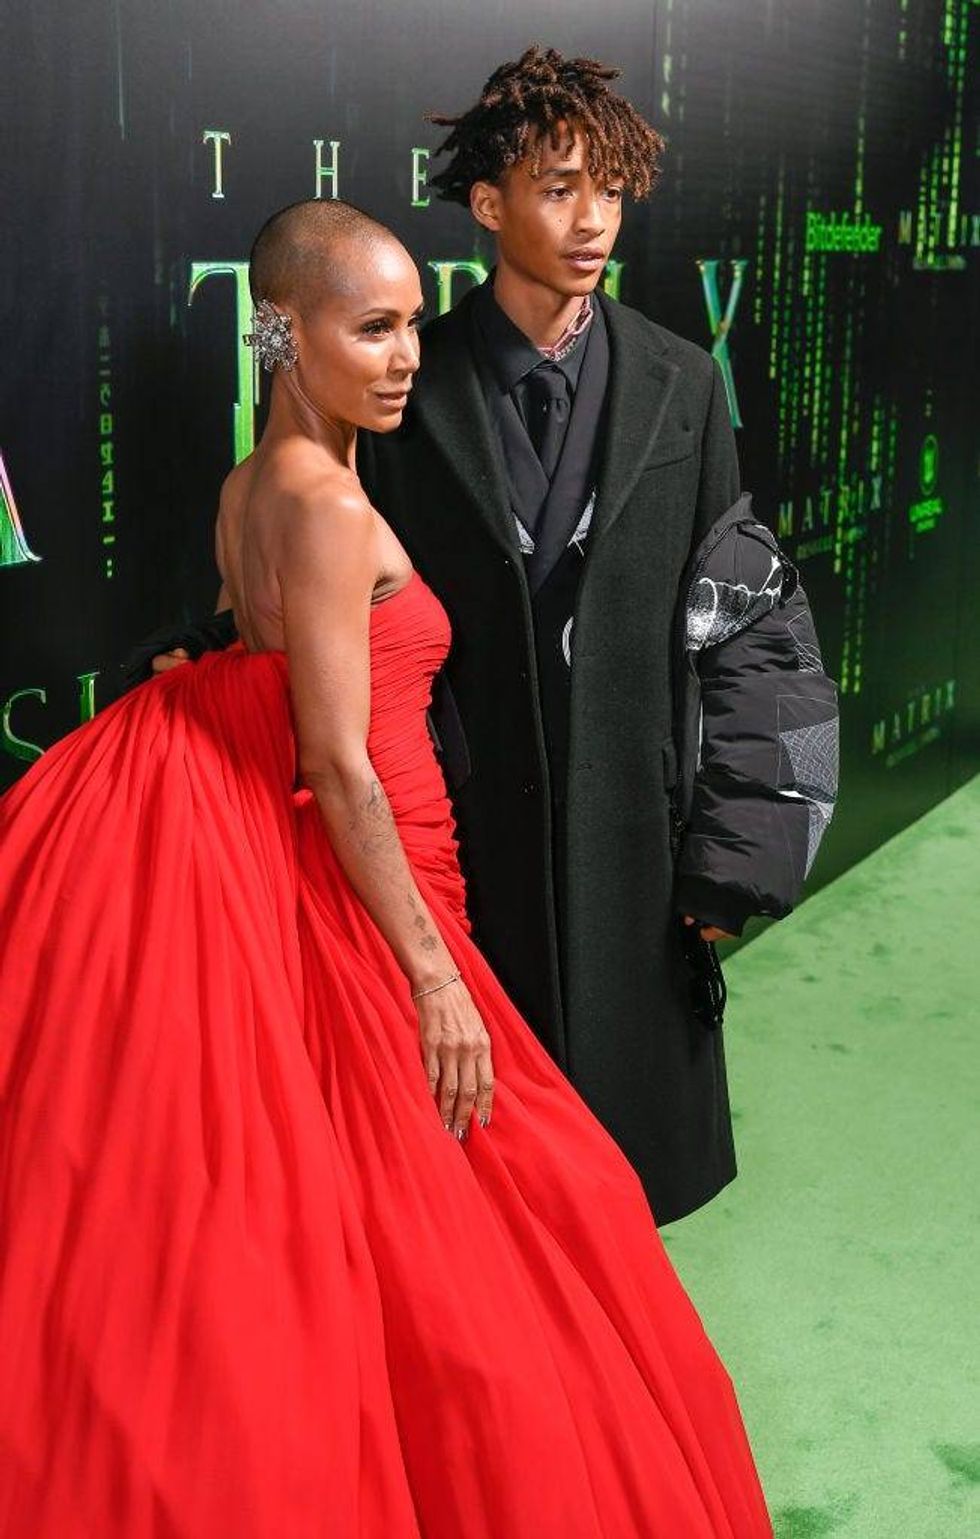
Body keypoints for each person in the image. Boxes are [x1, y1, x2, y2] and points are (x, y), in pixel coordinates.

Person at [0, 203, 772, 1535]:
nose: (409, 352)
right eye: (373, 327)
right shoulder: (329, 510)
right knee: (498, 1219)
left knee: (393, 1210)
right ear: (284, 333)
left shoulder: (258, 483)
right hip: (380, 892)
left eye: (415, 319)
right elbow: (340, 760)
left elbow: (257, 670)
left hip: (358, 872)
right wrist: (432, 973)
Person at [143, 47, 837, 1225]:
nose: (591, 221)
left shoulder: (678, 381)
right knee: (477, 1210)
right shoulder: (399, 380)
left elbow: (750, 618)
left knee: (618, 1199)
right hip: (461, 857)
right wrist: (199, 662)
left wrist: (740, 853)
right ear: (485, 203)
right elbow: (322, 590)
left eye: (609, 191)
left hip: (635, 847)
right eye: (559, 187)